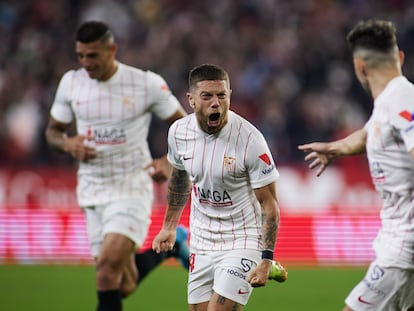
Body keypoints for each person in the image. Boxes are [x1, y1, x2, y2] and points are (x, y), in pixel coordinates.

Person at [45, 21, 189, 311]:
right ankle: (172, 247)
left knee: (108, 267)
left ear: (112, 49)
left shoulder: (144, 83)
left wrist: (167, 161)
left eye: (93, 56)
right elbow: (52, 132)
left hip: (131, 186)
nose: (86, 63)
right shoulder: (71, 83)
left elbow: (184, 126)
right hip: (91, 188)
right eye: (81, 56)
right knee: (120, 283)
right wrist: (67, 143)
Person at [298, 19, 414, 311]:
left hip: (403, 248)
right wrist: (333, 149)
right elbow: (368, 133)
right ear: (399, 57)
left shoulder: (401, 98)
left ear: (359, 66)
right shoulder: (390, 102)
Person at [152, 64, 287, 311]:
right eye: (207, 96)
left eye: (222, 95)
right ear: (191, 100)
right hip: (202, 240)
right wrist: (169, 227)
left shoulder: (250, 140)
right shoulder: (178, 133)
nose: (216, 103)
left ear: (230, 96)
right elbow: (179, 178)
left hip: (243, 239)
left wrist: (266, 259)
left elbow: (270, 205)